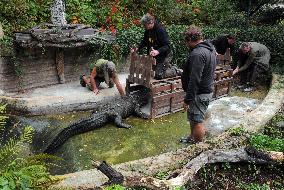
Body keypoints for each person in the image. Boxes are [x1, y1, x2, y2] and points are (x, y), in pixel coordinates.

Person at [180, 25, 217, 144]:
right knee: (193, 117)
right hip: (202, 91)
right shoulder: (210, 49)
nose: (186, 45)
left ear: (190, 40)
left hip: (200, 93)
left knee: (197, 121)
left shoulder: (197, 54)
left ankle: (198, 147)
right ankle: (192, 137)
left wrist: (188, 99)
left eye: (186, 42)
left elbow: (194, 79)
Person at [131, 13, 179, 79]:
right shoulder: (147, 30)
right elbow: (144, 42)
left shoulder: (160, 30)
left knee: (158, 75)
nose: (144, 27)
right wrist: (137, 48)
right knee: (147, 72)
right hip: (154, 55)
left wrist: (158, 51)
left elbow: (167, 46)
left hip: (164, 55)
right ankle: (165, 67)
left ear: (151, 22)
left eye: (145, 25)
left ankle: (175, 70)